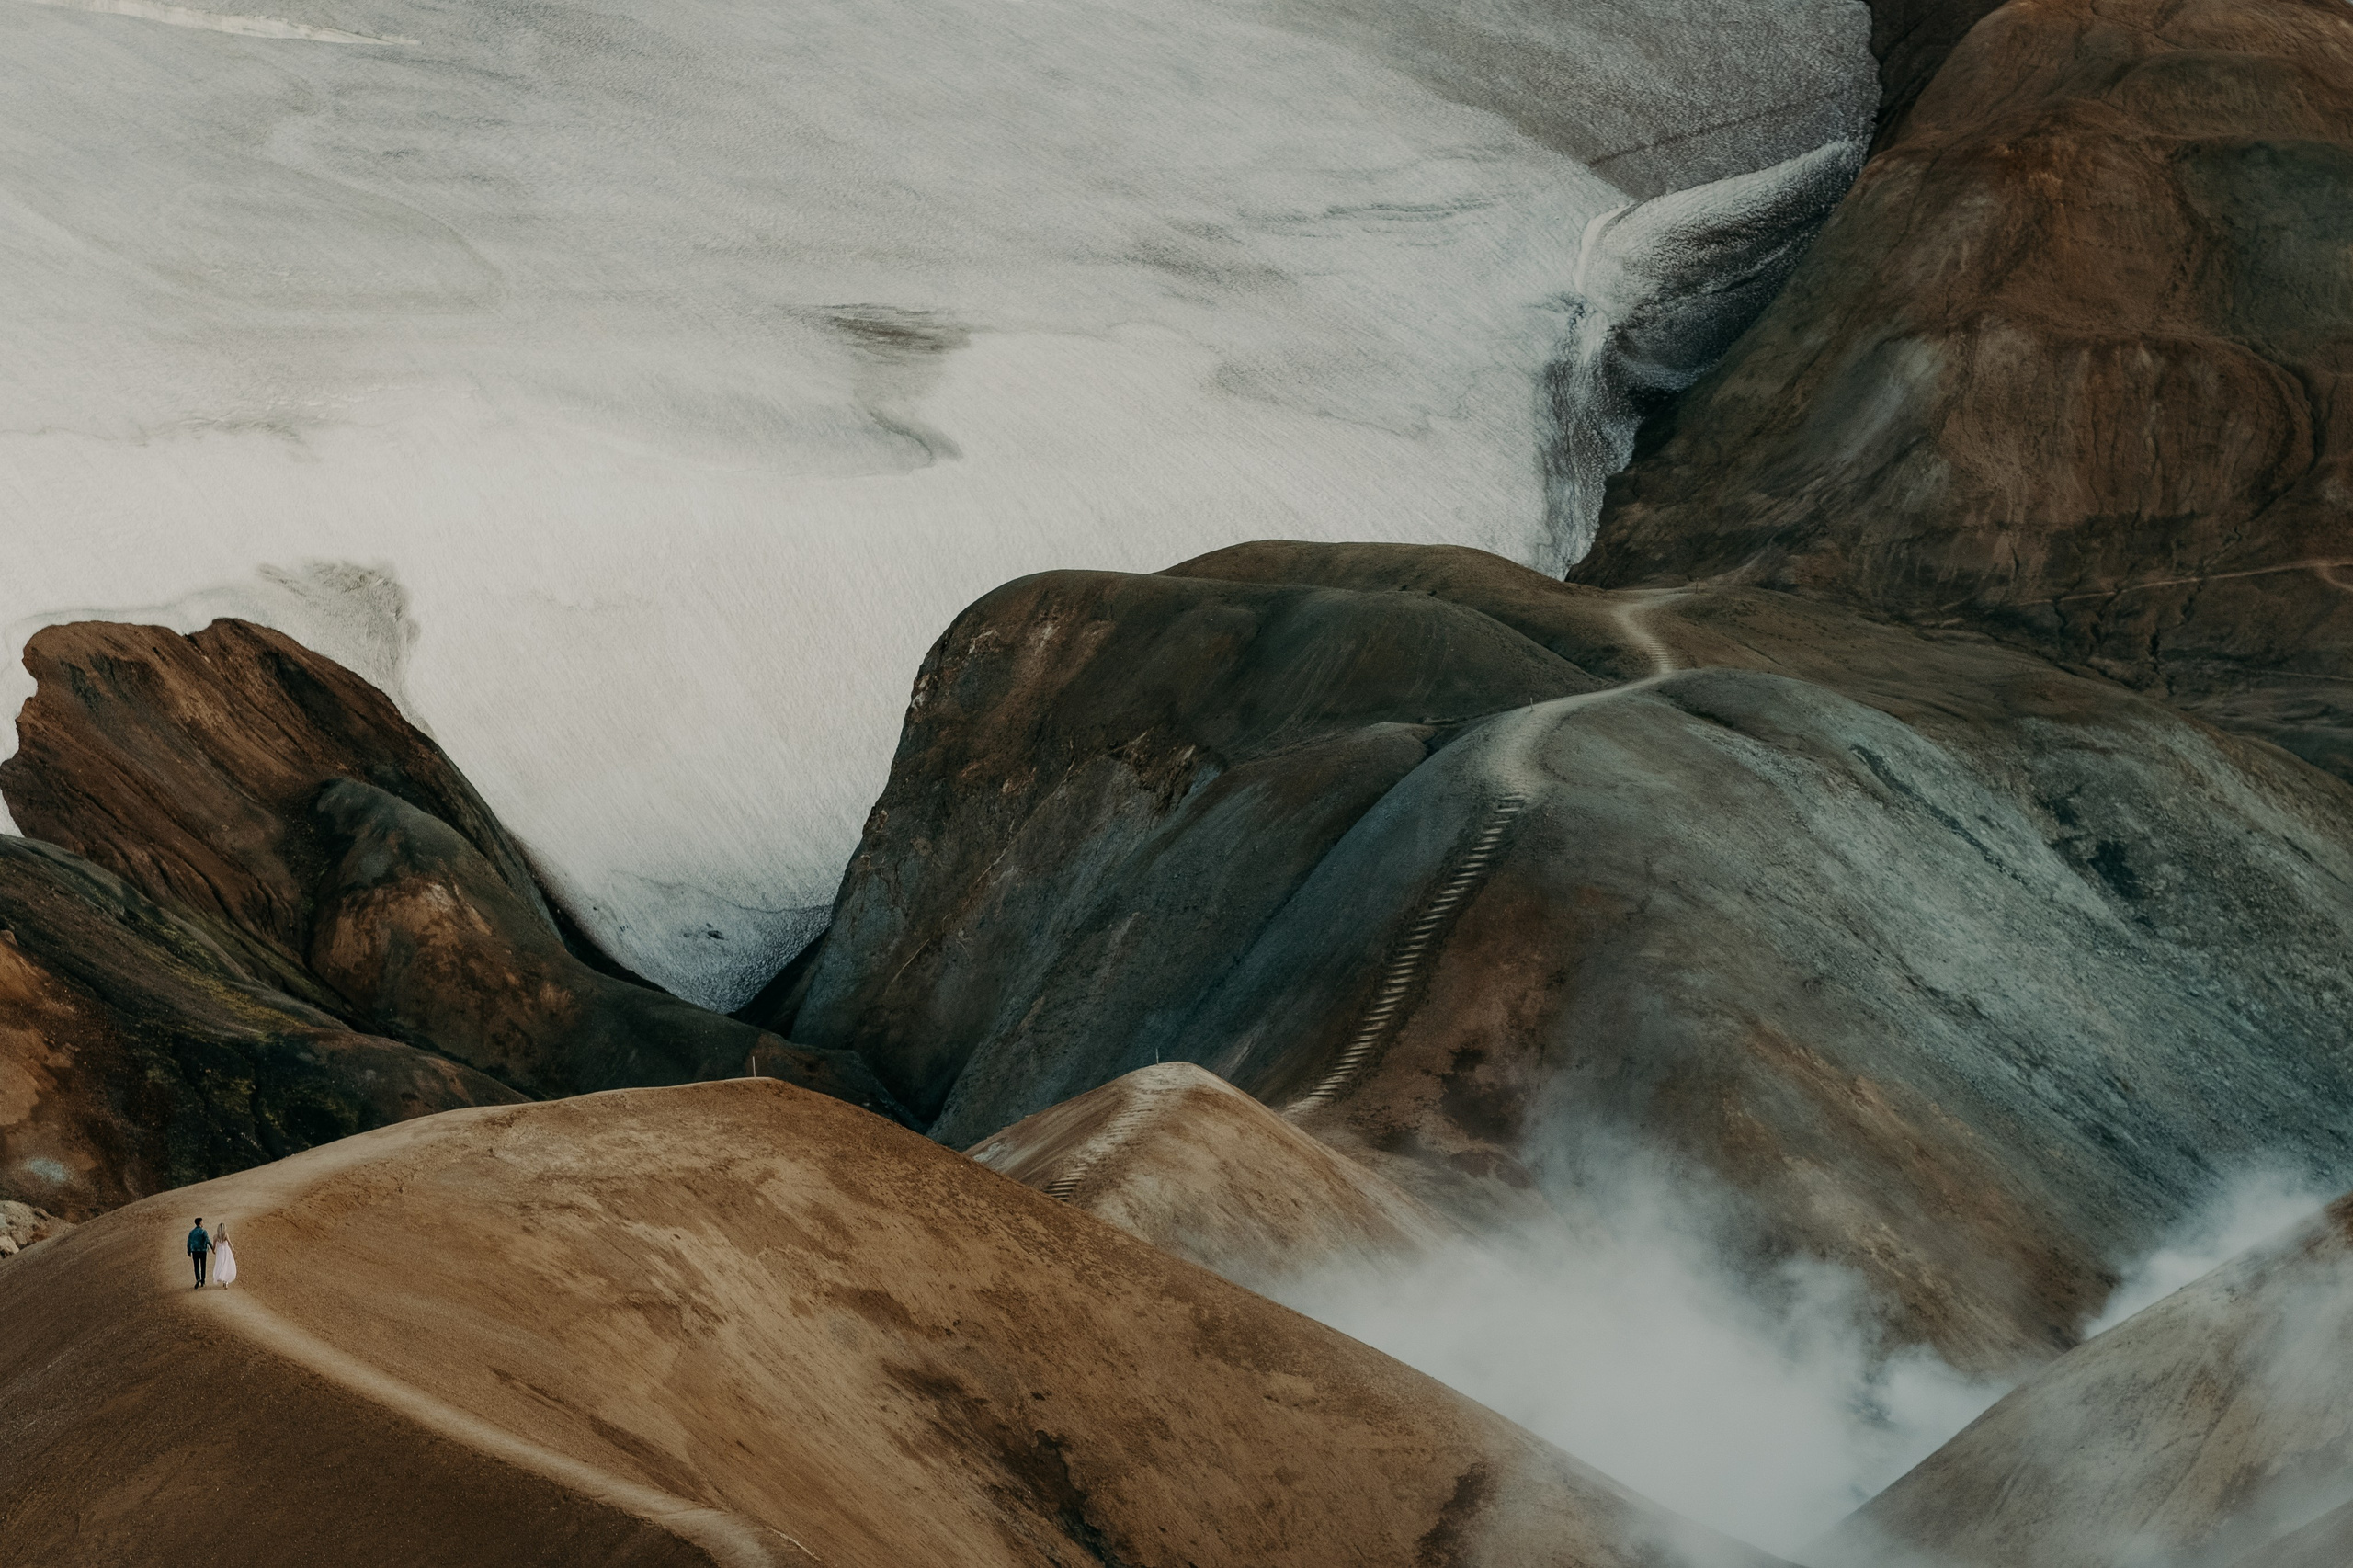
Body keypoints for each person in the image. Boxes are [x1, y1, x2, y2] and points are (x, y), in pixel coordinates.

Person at [186, 1218, 211, 1289]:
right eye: (202, 1222)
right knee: (203, 1265)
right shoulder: (203, 1232)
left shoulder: (192, 1232)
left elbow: (189, 1242)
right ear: (200, 1223)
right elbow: (207, 1240)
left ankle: (198, 1279)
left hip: (195, 1251)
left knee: (196, 1266)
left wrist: (189, 1250)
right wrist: (212, 1248)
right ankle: (203, 1281)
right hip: (203, 1251)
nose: (203, 1223)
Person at [211, 1222, 237, 1288]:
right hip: (226, 1251)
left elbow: (214, 1246)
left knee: (221, 1264)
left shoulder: (215, 1237)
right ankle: (226, 1281)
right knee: (227, 1265)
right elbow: (229, 1243)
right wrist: (233, 1249)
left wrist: (213, 1250)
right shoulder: (226, 1235)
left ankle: (222, 1277)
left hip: (220, 1252)